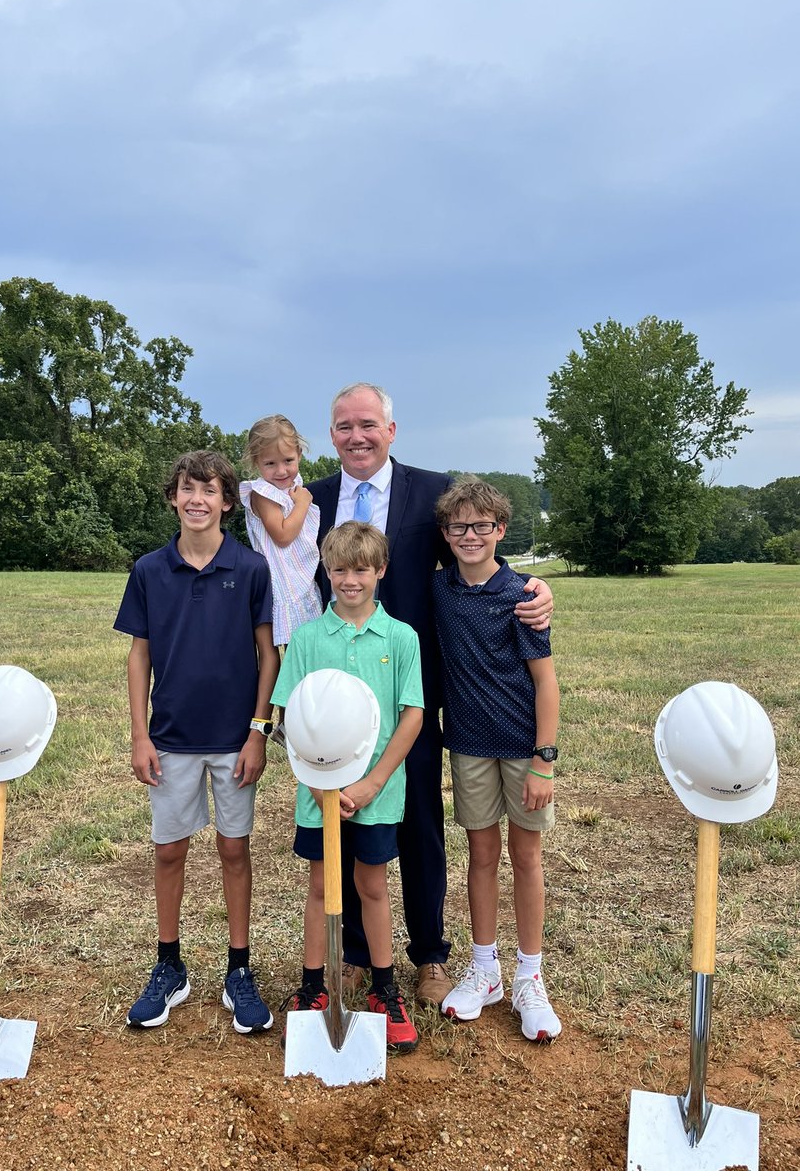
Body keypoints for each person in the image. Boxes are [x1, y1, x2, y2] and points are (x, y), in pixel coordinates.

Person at [308, 383, 555, 1006]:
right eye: (343, 426)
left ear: (392, 430)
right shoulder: (310, 502)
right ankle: (358, 954)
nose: (356, 435)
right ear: (331, 435)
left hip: (413, 692)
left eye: (368, 423)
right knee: (345, 819)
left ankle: (429, 955)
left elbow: (479, 558)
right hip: (336, 692)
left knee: (419, 820)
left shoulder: (432, 490)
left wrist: (539, 591)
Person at [114, 450, 280, 1034]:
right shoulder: (150, 570)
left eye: (209, 491)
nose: (197, 500)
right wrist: (140, 734)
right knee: (169, 851)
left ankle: (239, 969)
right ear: (173, 498)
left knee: (234, 850)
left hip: (235, 741)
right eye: (187, 489)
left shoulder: (251, 567)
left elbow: (269, 654)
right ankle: (169, 966)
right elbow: (140, 656)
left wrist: (259, 731)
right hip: (173, 738)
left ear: (227, 502)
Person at [272, 522, 424, 1051]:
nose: (350, 579)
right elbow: (288, 713)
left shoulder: (402, 637)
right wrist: (321, 787)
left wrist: (372, 781)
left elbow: (412, 715)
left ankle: (385, 989)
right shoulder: (309, 638)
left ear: (380, 571)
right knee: (320, 887)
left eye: (361, 569)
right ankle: (314, 986)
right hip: (318, 796)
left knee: (372, 886)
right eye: (339, 569)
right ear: (326, 572)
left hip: (378, 793)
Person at [433, 478, 561, 1041]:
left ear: (500, 530)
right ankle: (485, 969)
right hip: (467, 744)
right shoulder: (439, 590)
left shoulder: (525, 596)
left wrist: (544, 759)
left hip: (521, 746)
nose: (470, 535)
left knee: (525, 856)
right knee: (480, 855)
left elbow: (546, 681)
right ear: (446, 534)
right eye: (459, 527)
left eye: (482, 526)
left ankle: (530, 975)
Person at [239, 414, 322, 647]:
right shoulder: (263, 492)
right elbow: (283, 535)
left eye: (288, 460)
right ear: (256, 462)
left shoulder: (293, 487)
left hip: (301, 579)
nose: (281, 471)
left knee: (311, 646)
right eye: (270, 464)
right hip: (283, 584)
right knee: (296, 648)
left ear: (299, 455)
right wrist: (304, 503)